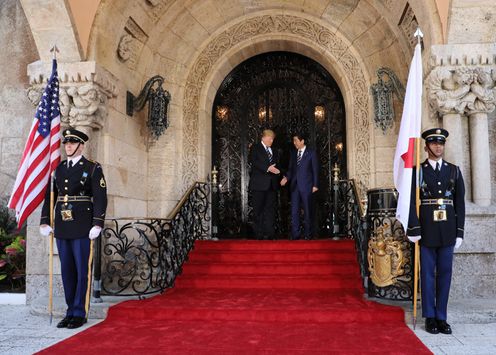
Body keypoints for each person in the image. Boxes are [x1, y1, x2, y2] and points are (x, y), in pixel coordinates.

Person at [39, 128, 107, 329]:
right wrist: (45, 221)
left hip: (83, 226)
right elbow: (49, 196)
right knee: (67, 271)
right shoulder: (58, 169)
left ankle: (79, 312)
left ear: (81, 145)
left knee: (81, 271)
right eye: (66, 143)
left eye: (72, 143)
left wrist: (98, 223)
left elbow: (101, 197)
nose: (68, 146)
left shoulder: (93, 168)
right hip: (62, 226)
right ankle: (70, 310)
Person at [407, 128, 465, 335]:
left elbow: (459, 203)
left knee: (445, 275)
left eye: (441, 143)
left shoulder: (454, 171)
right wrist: (414, 227)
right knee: (428, 275)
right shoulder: (418, 171)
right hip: (427, 230)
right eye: (433, 143)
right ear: (426, 146)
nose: (438, 147)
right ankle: (430, 317)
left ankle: (442, 317)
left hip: (448, 229)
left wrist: (460, 232)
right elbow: (410, 203)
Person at [281, 133, 319, 240]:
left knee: (307, 210)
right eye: (293, 141)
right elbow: (290, 170)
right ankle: (295, 234)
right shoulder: (293, 154)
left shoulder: (311, 153)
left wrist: (315, 185)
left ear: (302, 141)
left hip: (307, 185)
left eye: (296, 140)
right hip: (294, 186)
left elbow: (315, 170)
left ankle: (308, 234)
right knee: (294, 210)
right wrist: (286, 178)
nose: (294, 143)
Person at [249, 129, 281, 240]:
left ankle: (269, 233)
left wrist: (280, 174)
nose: (271, 141)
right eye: (270, 138)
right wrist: (268, 168)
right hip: (259, 185)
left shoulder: (274, 150)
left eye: (273, 139)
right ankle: (259, 234)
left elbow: (277, 165)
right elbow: (254, 162)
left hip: (272, 185)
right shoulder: (255, 148)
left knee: (270, 210)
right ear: (263, 137)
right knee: (258, 209)